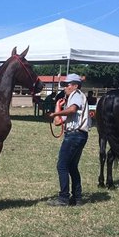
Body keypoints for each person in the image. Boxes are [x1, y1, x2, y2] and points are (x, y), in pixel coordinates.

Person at [47, 73, 89, 206]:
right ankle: (77, 198)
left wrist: (56, 113)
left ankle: (63, 198)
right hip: (78, 135)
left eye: (67, 84)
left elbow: (72, 110)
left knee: (62, 166)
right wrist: (58, 107)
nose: (64, 87)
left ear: (75, 86)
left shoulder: (76, 95)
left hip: (74, 135)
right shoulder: (71, 97)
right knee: (72, 166)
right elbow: (57, 123)